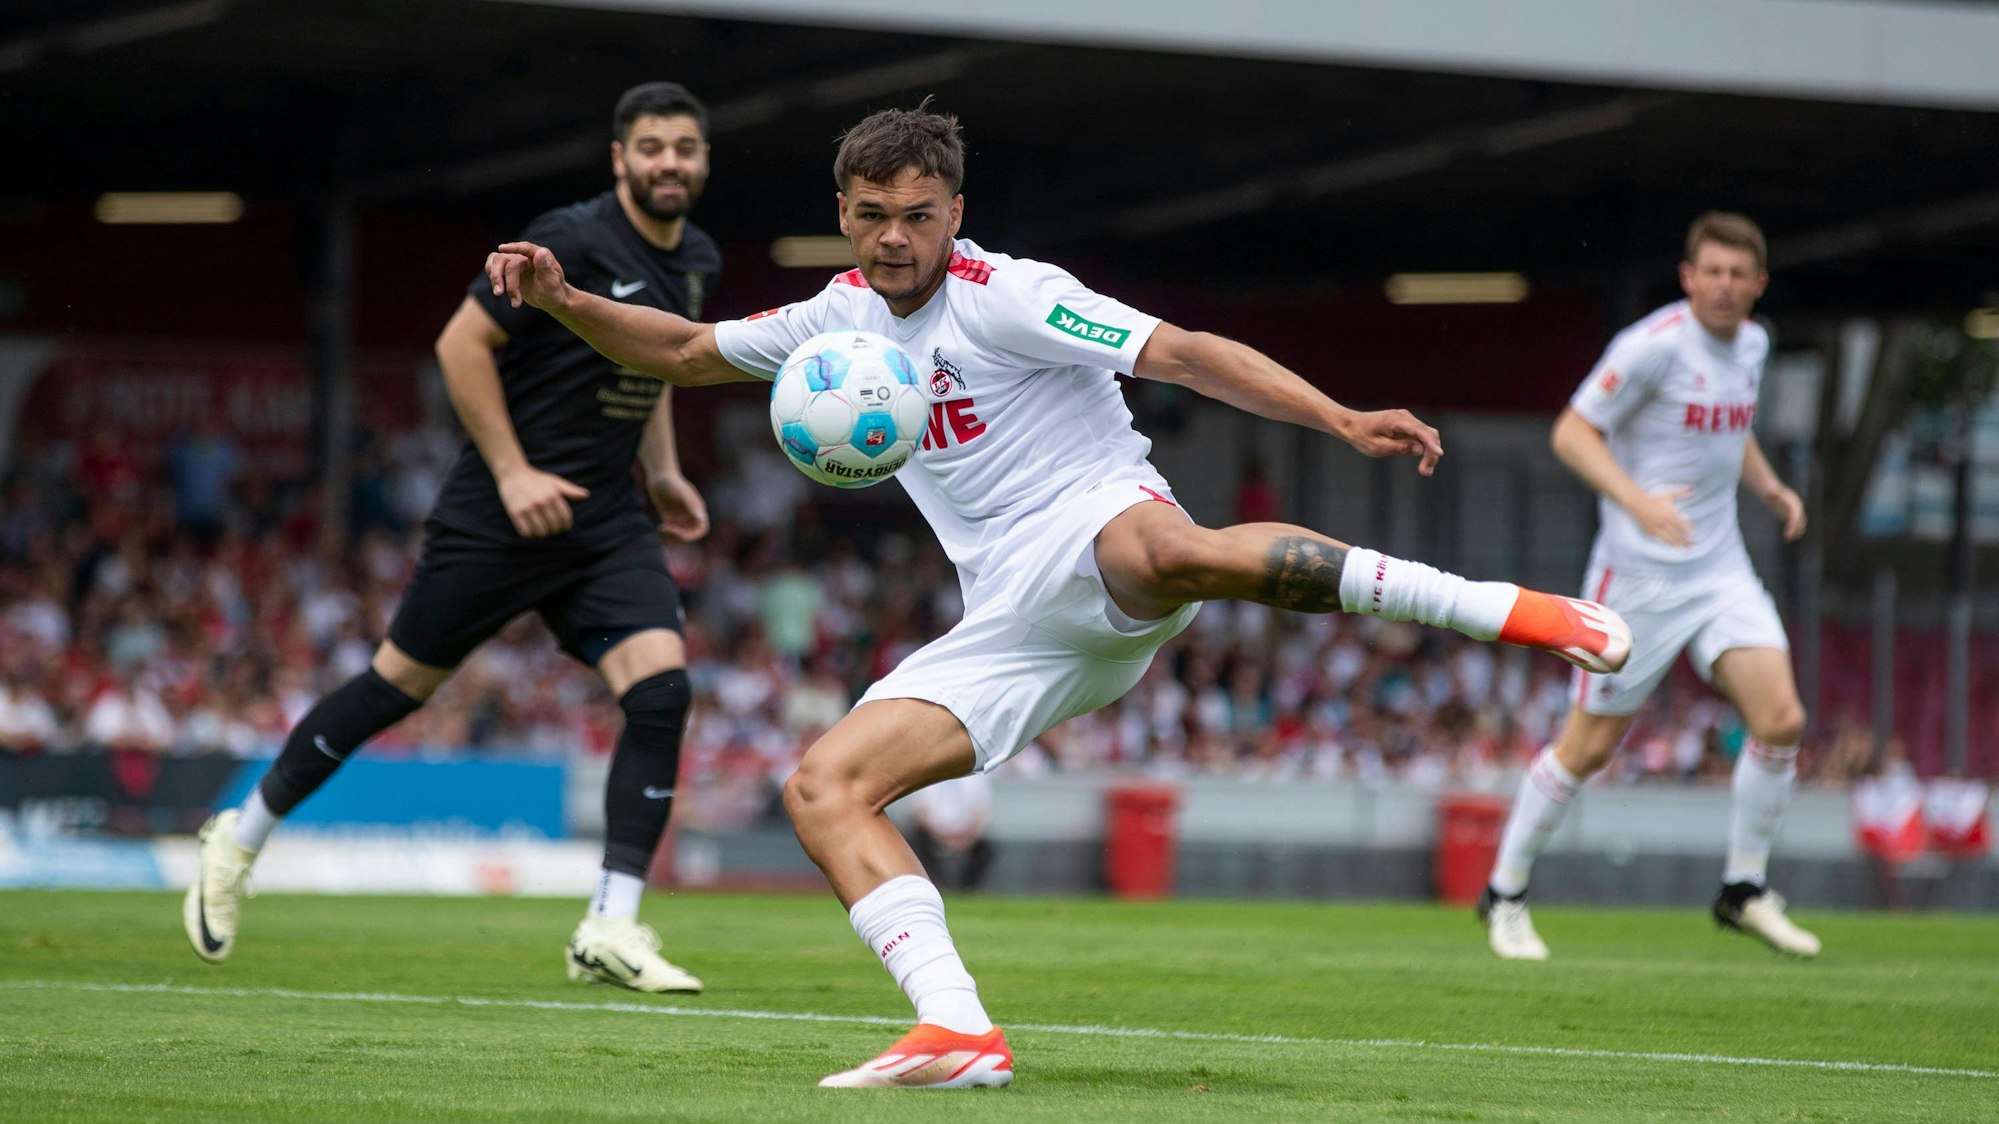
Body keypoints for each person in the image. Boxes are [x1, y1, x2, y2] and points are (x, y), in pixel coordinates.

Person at [485, 102, 1630, 1089]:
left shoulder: (1012, 295)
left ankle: (1505, 609)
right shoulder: (831, 319)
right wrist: (564, 297)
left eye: (918, 214)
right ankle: (956, 1026)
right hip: (1011, 618)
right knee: (823, 787)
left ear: (955, 211)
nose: (895, 237)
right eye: (873, 215)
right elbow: (683, 350)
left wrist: (1338, 416)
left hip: (1098, 519)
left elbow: (1183, 353)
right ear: (843, 213)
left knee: (1162, 551)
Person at [185, 82, 721, 993]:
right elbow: (458, 345)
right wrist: (512, 473)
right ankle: (239, 838)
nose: (669, 162)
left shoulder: (698, 256)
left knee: (661, 692)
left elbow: (654, 359)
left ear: (703, 159)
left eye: (685, 147)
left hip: (604, 521)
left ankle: (610, 925)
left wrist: (662, 472)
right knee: (396, 687)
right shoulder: (569, 238)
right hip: (499, 514)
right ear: (619, 158)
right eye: (652, 146)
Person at [1477, 212, 1820, 961]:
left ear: (1758, 284)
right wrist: (1638, 504)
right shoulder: (1651, 347)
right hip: (1637, 577)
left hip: (1720, 569)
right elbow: (1571, 432)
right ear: (1688, 278)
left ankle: (1743, 888)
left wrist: (1767, 487)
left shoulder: (1754, 345)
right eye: (1712, 272)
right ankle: (1504, 892)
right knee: (1587, 749)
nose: (1724, 286)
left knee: (1781, 719)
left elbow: (1732, 429)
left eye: (1738, 274)